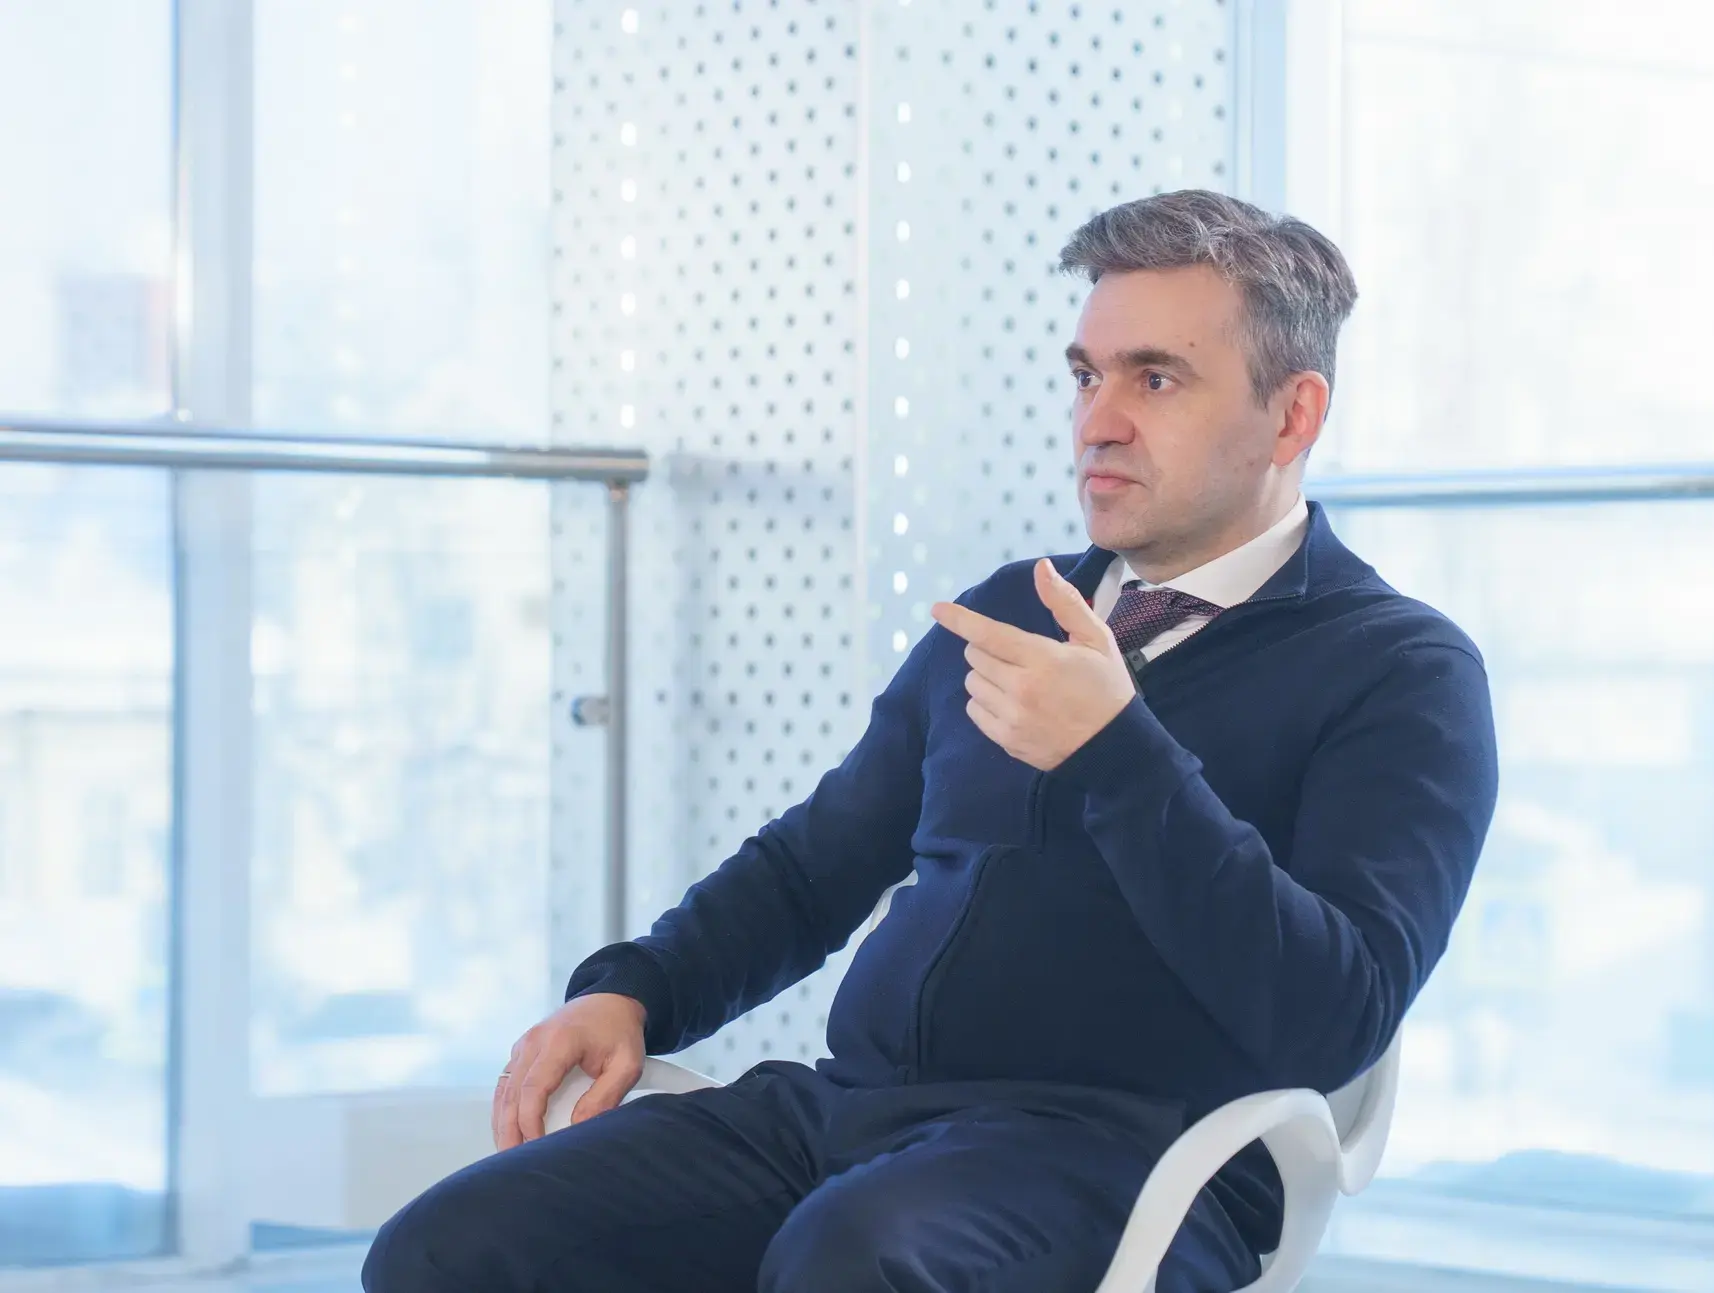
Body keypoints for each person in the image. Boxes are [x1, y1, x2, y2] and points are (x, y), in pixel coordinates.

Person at [363, 189, 1499, 1293]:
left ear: (1292, 415)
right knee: (450, 1247)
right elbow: (814, 866)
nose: (1098, 421)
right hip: (855, 1118)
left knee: (854, 1257)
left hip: (1129, 1160)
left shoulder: (1401, 671)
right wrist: (636, 989)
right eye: (1087, 375)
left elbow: (1335, 1014)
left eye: (1155, 379)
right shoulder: (1014, 609)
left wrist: (1117, 753)